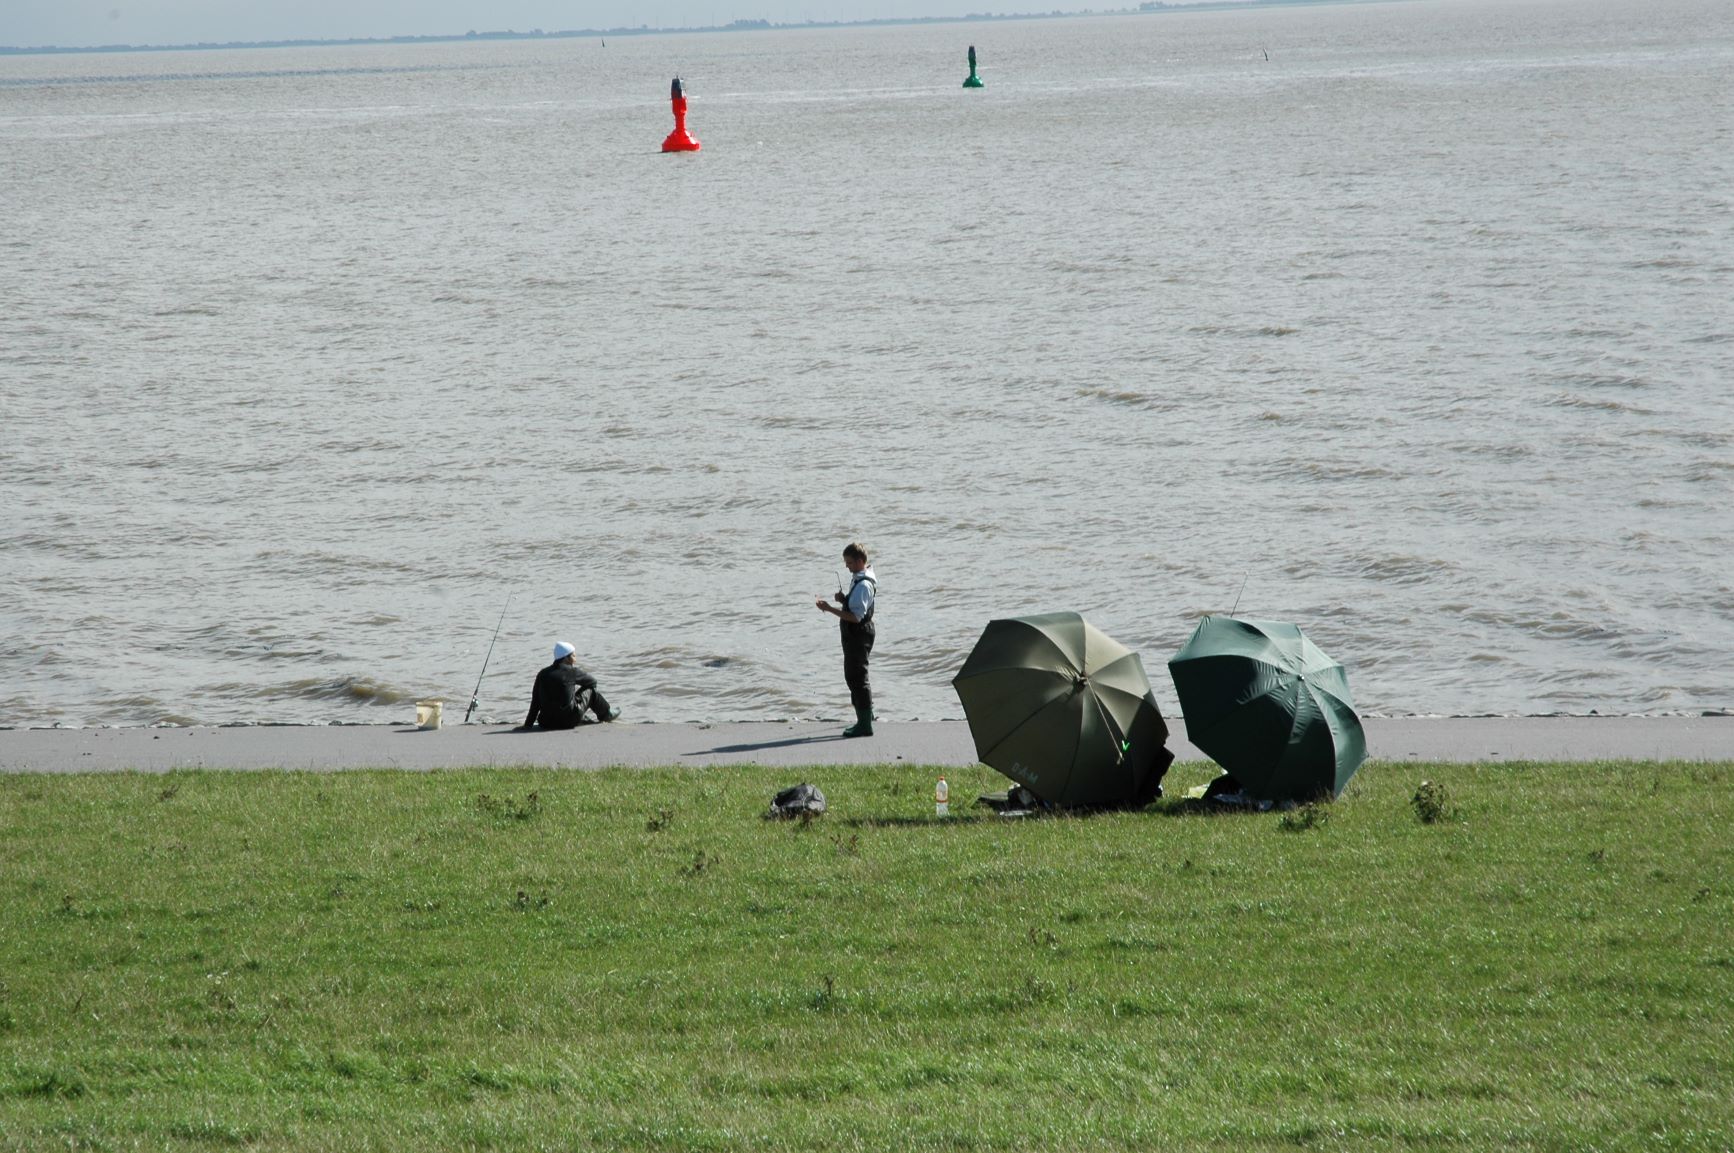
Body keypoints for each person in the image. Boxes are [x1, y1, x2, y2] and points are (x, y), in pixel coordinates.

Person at [815, 542, 876, 737]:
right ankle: (866, 715)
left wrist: (829, 609)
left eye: (849, 562)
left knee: (857, 677)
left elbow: (856, 617)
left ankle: (865, 724)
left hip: (859, 634)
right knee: (854, 675)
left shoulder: (864, 584)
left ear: (859, 561)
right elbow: (858, 607)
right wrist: (844, 600)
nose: (847, 566)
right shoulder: (859, 578)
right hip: (855, 634)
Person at [522, 641, 619, 730]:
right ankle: (606, 714)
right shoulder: (571, 671)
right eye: (574, 656)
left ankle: (580, 716)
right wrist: (576, 691)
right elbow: (593, 682)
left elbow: (535, 701)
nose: (575, 659)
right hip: (568, 722)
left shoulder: (542, 673)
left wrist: (528, 724)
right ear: (566, 658)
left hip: (546, 723)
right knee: (591, 690)